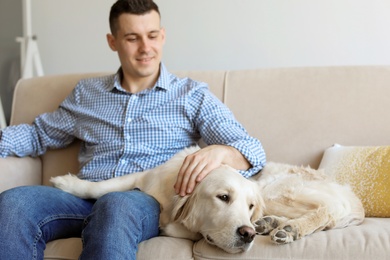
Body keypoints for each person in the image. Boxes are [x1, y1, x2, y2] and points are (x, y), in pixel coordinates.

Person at [0, 0, 266, 259]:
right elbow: (38, 135)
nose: (145, 48)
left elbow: (252, 150)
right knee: (14, 203)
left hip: (142, 201)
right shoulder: (87, 94)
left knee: (115, 204)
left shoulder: (191, 95)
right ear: (112, 41)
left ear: (162, 36)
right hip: (83, 197)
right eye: (132, 38)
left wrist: (219, 152)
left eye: (152, 35)